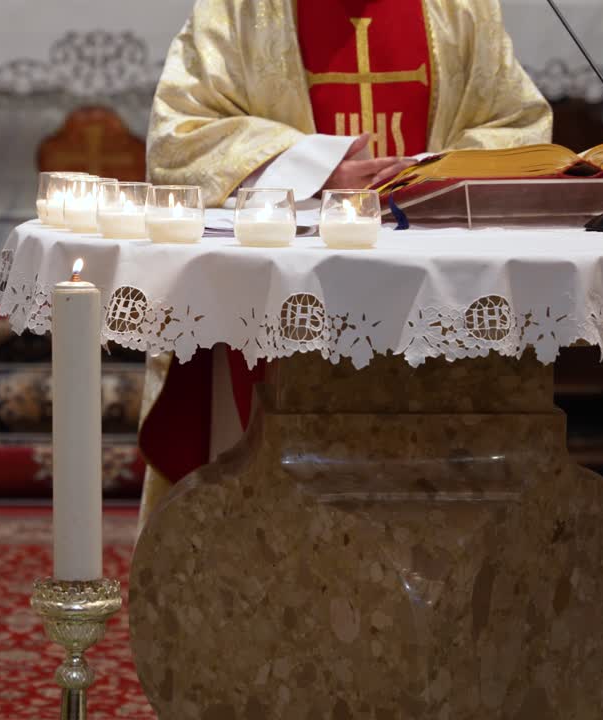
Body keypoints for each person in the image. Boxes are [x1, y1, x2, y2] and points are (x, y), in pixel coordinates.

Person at [138, 0, 554, 520]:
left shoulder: (459, 8)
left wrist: (426, 178)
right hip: (281, 302)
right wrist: (316, 172)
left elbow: (520, 124)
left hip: (435, 296)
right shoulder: (240, 9)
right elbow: (179, 138)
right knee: (262, 520)